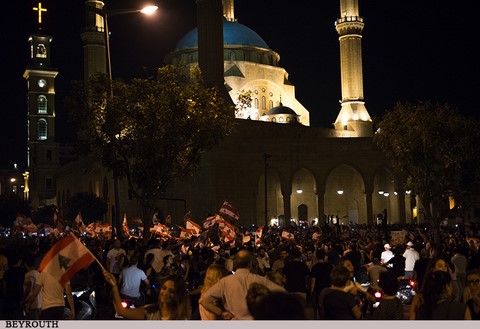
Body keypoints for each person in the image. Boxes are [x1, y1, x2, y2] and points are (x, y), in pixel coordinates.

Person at [199, 249, 286, 319]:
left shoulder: (225, 282)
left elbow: (204, 301)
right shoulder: (260, 280)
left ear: (236, 264)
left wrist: (222, 313)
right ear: (250, 264)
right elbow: (282, 292)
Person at [103, 269, 191, 320]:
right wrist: (114, 286)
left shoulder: (182, 318)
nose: (165, 293)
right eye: (164, 288)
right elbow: (121, 311)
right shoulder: (150, 311)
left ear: (178, 295)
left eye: (171, 291)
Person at [23, 255, 42, 319]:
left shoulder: (28, 275)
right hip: (40, 304)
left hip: (32, 304)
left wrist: (24, 300)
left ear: (25, 264)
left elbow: (29, 289)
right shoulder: (38, 274)